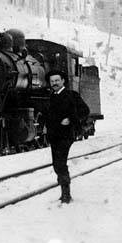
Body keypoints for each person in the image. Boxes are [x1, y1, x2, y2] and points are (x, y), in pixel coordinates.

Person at [45, 70, 90, 204]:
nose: (54, 83)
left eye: (57, 80)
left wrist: (71, 119)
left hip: (66, 134)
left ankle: (66, 194)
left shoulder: (72, 95)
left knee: (60, 163)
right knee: (56, 164)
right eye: (52, 81)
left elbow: (85, 111)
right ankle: (64, 191)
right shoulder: (52, 96)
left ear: (63, 81)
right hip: (54, 135)